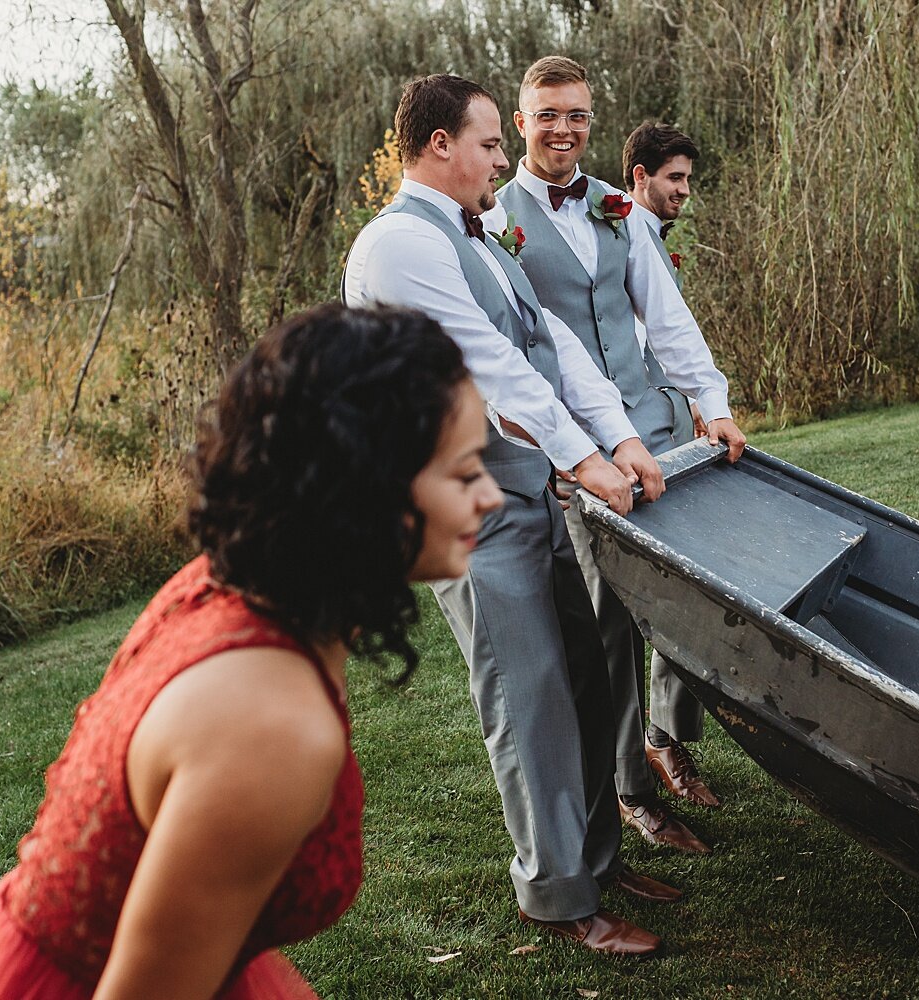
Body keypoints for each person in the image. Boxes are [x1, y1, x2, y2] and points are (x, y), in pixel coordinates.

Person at [0, 305, 502, 998]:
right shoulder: (271, 727)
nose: (494, 497)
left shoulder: (223, 581)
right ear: (367, 489)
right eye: (467, 473)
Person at [344, 73, 674, 956]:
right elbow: (493, 365)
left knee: (586, 676)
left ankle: (597, 857)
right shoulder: (398, 248)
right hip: (468, 509)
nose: (503, 158)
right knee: (528, 697)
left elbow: (550, 343)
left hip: (531, 485)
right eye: (491, 143)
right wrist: (588, 462)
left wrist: (620, 435)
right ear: (440, 145)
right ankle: (559, 896)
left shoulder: (480, 233)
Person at [492, 57, 747, 854]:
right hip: (573, 452)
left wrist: (713, 401)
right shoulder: (494, 219)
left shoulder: (616, 208)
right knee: (607, 623)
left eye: (577, 115)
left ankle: (666, 745)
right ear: (519, 119)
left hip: (654, 431)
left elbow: (666, 319)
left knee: (674, 600)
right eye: (548, 115)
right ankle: (633, 791)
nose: (563, 129)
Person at [616, 119, 723, 807]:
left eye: (689, 180)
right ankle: (646, 750)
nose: (684, 192)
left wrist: (695, 401)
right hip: (625, 439)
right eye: (674, 179)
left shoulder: (650, 239)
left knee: (687, 582)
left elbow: (667, 335)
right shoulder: (617, 232)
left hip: (669, 429)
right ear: (639, 177)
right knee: (640, 597)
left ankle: (665, 734)